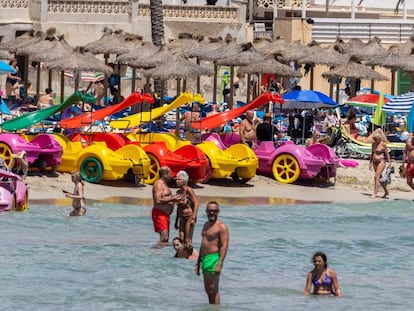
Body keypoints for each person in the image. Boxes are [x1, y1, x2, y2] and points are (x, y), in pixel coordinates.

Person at [195, 201, 229, 305]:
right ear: (206, 211)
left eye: (214, 211)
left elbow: (224, 245)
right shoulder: (206, 225)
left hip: (214, 259)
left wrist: (219, 264)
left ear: (218, 212)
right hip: (204, 259)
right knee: (208, 290)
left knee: (213, 290)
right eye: (209, 211)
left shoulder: (221, 226)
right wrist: (198, 262)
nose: (212, 213)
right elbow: (203, 244)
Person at [152, 166, 181, 244]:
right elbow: (158, 200)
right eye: (170, 173)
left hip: (165, 214)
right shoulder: (159, 184)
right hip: (159, 213)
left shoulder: (165, 184)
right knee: (164, 238)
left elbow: (166, 197)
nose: (171, 175)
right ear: (165, 174)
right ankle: (153, 251)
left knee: (166, 239)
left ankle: (160, 254)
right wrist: (172, 199)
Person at [174, 170, 199, 247]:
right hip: (181, 218)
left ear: (184, 181)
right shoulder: (178, 192)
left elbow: (196, 203)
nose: (177, 181)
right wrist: (176, 220)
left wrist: (194, 217)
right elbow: (178, 208)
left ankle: (191, 255)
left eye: (179, 179)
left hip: (189, 216)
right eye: (176, 179)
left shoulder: (189, 190)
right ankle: (182, 256)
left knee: (187, 239)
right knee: (181, 240)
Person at [369, 132, 391, 199]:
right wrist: (370, 162)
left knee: (376, 177)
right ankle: (386, 191)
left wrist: (389, 163)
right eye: (374, 139)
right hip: (374, 162)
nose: (375, 140)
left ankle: (375, 193)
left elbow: (387, 154)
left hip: (381, 161)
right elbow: (372, 153)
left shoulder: (383, 144)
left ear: (379, 139)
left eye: (376, 139)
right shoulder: (373, 144)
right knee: (380, 179)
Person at [403, 134, 414, 198]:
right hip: (410, 164)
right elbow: (405, 152)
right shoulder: (408, 141)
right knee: (409, 181)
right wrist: (403, 164)